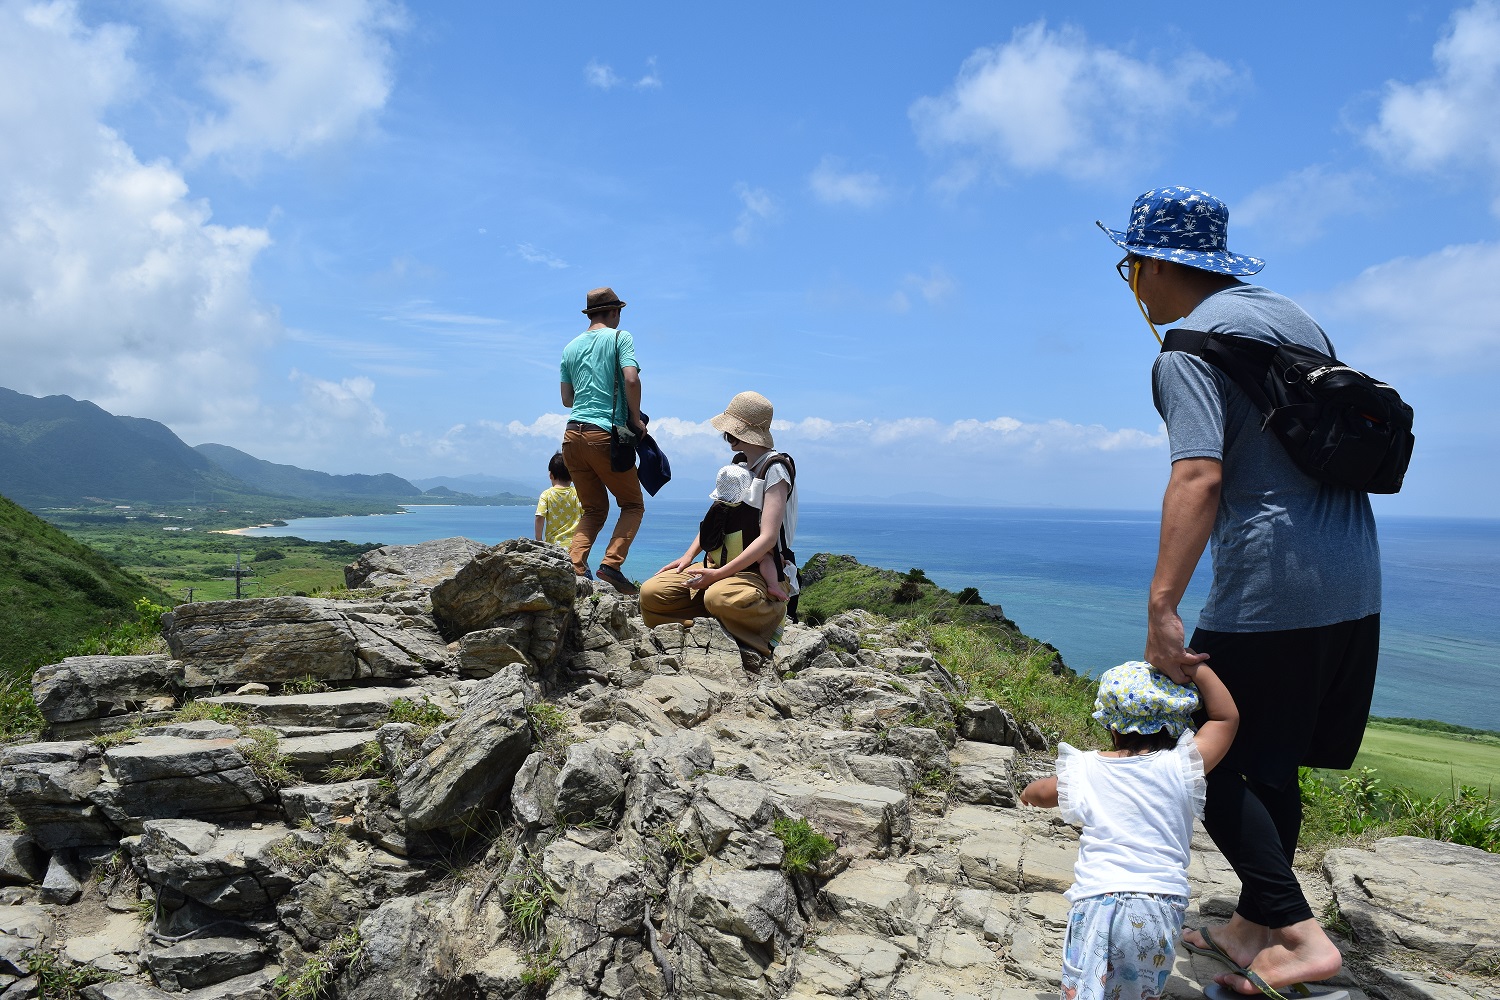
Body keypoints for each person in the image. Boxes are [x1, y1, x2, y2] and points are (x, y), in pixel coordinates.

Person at [1098, 187, 1381, 998]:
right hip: (1352, 573)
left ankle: (1299, 938)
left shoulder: (1187, 349)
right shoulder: (1292, 319)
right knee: (1271, 760)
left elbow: (1199, 474)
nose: (1132, 285)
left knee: (1196, 754)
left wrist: (1161, 607)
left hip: (1272, 584)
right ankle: (1254, 927)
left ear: (1150, 263)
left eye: (1129, 267)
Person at [1020, 660, 1239, 1000]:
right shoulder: (1183, 765)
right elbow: (1226, 718)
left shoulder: (1087, 768)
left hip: (1099, 901)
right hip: (1161, 906)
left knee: (1087, 987)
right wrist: (1195, 668)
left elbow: (1042, 792)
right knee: (1141, 989)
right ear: (1173, 721)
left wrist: (1027, 793)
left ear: (1112, 724)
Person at [638, 391, 797, 666]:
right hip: (717, 567)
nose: (726, 435)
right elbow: (715, 518)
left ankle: (769, 620)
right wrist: (688, 557)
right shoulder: (738, 465)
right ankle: (706, 628)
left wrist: (718, 576)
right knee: (651, 592)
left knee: (718, 597)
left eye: (731, 429)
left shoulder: (775, 470)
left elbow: (769, 537)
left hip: (757, 569)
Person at [559, 286, 646, 595]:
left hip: (571, 437)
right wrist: (635, 419)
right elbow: (631, 378)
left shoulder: (570, 347)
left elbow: (567, 399)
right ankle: (611, 564)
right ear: (615, 313)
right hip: (603, 435)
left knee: (594, 509)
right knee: (633, 504)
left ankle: (576, 567)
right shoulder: (620, 338)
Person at [699, 463, 788, 602]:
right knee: (766, 557)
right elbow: (764, 541)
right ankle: (773, 586)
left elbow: (706, 533)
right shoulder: (750, 513)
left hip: (718, 558)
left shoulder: (717, 509)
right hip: (744, 560)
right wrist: (778, 556)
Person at [533, 452, 582, 550]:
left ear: (551, 475)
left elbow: (539, 516)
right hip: (576, 547)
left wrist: (539, 539)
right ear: (572, 475)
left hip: (553, 547)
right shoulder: (578, 493)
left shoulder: (546, 495)